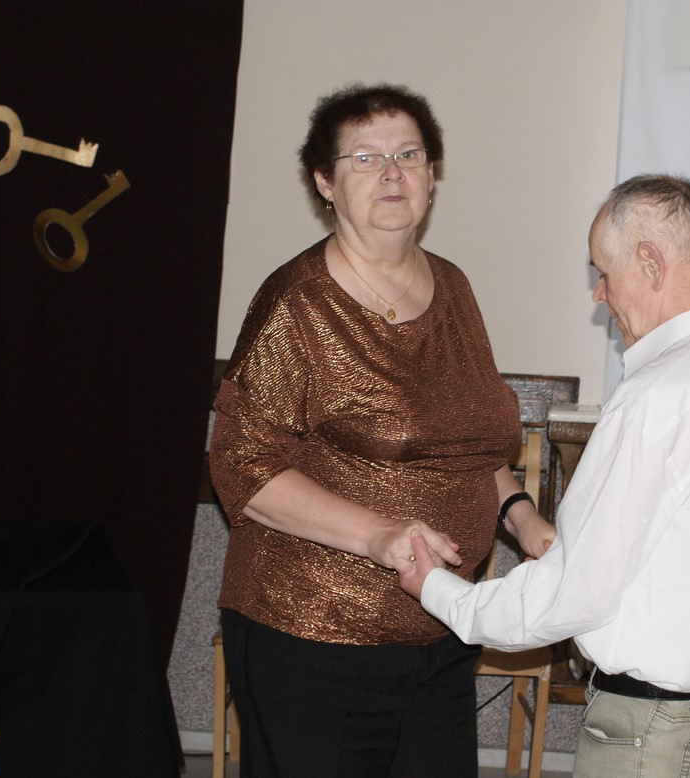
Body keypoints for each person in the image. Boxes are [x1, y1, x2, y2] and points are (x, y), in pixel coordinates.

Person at [401, 174, 690, 777]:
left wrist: (440, 591)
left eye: (604, 272)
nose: (599, 294)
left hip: (660, 736)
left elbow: (577, 592)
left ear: (650, 261)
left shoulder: (661, 392)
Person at [210, 82, 555, 777]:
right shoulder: (297, 302)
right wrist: (378, 535)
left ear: (431, 174)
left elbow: (470, 448)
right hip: (313, 636)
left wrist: (524, 521)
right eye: (365, 157)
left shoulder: (453, 287)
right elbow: (242, 468)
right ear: (325, 182)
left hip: (443, 626)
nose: (391, 172)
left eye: (408, 154)